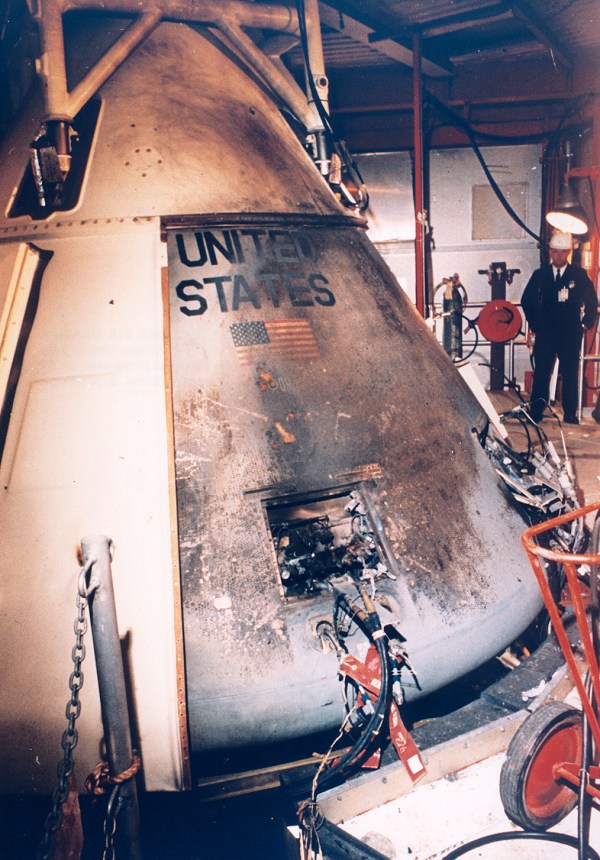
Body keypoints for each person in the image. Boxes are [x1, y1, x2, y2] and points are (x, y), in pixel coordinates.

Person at [521, 230, 598, 424]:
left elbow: (592, 301)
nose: (558, 256)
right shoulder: (540, 275)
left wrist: (584, 324)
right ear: (550, 252)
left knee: (570, 373)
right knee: (541, 372)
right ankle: (536, 411)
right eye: (555, 252)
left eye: (563, 252)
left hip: (570, 333)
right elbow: (527, 300)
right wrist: (536, 324)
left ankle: (570, 414)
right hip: (546, 332)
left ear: (568, 253)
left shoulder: (578, 275)